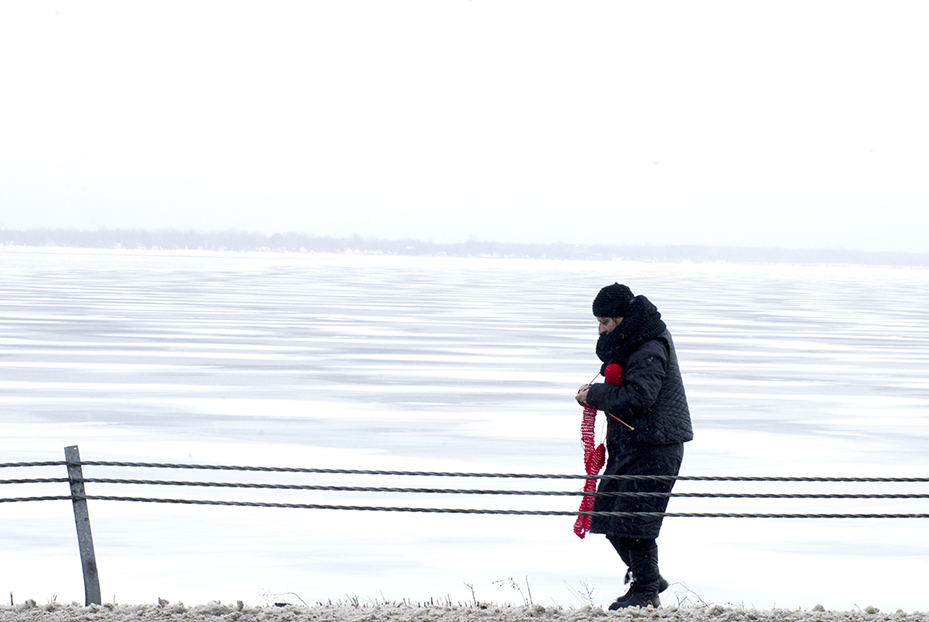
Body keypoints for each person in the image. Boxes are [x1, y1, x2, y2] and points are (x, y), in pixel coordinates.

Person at [575, 283, 693, 609]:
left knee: (634, 523)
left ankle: (645, 591)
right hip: (633, 445)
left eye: (606, 323)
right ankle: (647, 581)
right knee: (610, 518)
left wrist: (594, 396)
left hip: (657, 445)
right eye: (598, 323)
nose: (601, 330)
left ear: (623, 319)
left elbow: (639, 398)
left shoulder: (649, 347)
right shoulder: (636, 341)